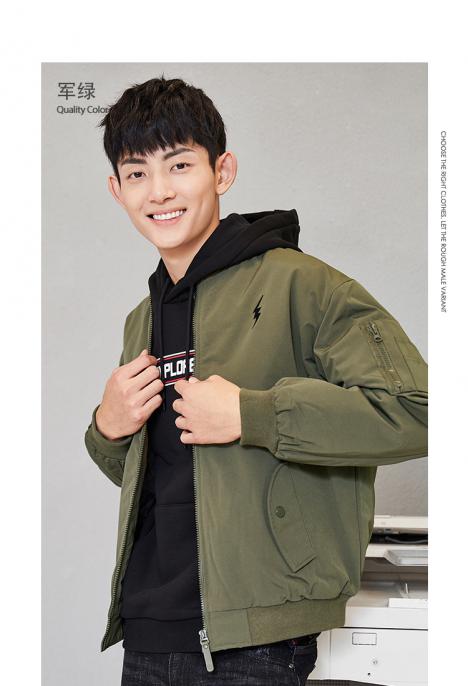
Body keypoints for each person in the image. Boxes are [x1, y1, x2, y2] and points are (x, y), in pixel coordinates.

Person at [84, 76, 428, 686]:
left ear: (223, 171)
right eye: (137, 173)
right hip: (148, 629)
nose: (159, 191)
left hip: (257, 640)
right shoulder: (142, 320)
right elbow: (161, 473)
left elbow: (418, 411)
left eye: (179, 165)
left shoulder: (303, 285)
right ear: (117, 189)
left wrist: (253, 415)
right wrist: (107, 429)